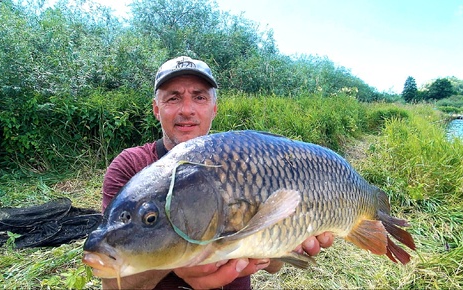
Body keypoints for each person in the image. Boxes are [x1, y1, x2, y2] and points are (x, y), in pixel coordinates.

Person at [100, 56, 334, 289]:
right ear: (156, 109)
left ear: (214, 108)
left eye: (199, 97)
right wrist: (184, 252)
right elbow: (112, 282)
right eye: (173, 98)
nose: (187, 110)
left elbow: (274, 267)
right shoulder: (129, 167)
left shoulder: (246, 161)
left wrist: (283, 241)